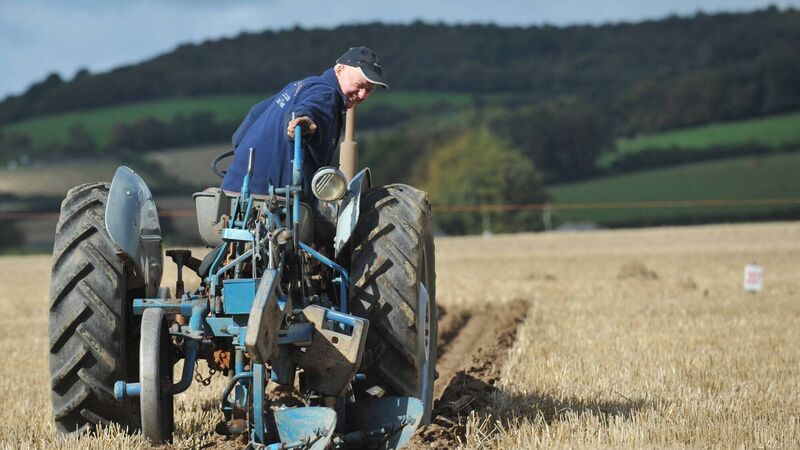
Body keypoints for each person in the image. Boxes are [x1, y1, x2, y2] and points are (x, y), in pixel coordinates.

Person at [221, 46, 389, 197]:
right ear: (339, 69)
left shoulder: (299, 85)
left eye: (369, 90)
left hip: (230, 190)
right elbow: (310, 109)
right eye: (359, 85)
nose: (362, 95)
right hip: (272, 202)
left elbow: (249, 122)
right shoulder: (327, 95)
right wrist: (303, 123)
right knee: (327, 230)